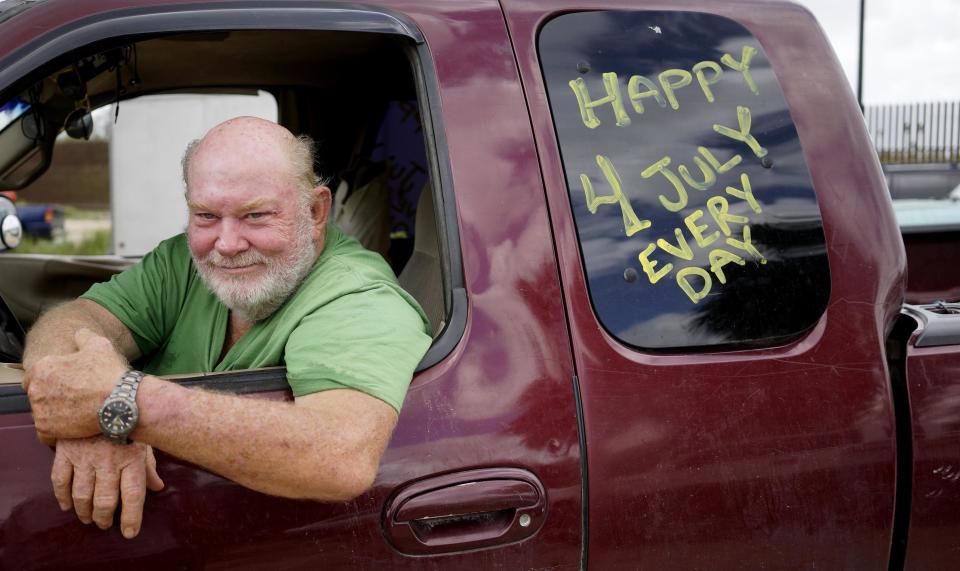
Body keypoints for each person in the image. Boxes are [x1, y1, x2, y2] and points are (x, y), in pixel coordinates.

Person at [21, 117, 432, 540]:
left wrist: (122, 405)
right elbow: (71, 322)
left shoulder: (359, 298)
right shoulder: (181, 261)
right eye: (205, 215)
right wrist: (88, 418)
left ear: (315, 210)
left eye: (255, 215)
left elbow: (340, 456)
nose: (226, 243)